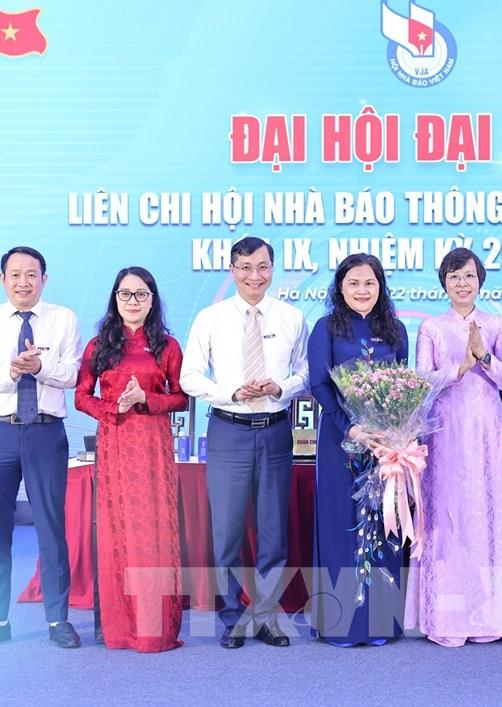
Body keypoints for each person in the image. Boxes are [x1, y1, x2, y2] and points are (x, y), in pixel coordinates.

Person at [180, 237, 309, 649]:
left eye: (263, 266)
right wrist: (231, 392)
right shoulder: (210, 318)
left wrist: (281, 386)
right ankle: (233, 618)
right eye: (246, 267)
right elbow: (189, 376)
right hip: (228, 430)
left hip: (275, 430)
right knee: (228, 533)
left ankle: (267, 616)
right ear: (232, 270)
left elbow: (306, 373)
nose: (255, 275)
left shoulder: (291, 317)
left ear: (273, 269)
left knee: (273, 532)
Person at [0, 246, 82, 649]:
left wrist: (41, 367)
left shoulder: (63, 319)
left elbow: (73, 375)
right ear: (2, 279)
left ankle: (58, 620)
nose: (23, 282)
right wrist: (10, 373)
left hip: (45, 433)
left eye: (31, 274)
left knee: (51, 527)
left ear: (44, 279)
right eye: (15, 275)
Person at [404, 248, 502, 647]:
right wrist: (460, 368)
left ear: (480, 280)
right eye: (454, 277)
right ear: (444, 284)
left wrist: (484, 357)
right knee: (448, 516)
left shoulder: (496, 325)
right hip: (445, 431)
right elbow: (421, 381)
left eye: (469, 275)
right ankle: (446, 616)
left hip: (485, 430)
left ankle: (489, 617)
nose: (462, 283)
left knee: (485, 514)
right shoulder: (432, 328)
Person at [74, 266, 187, 652]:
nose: (133, 301)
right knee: (118, 530)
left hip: (153, 445)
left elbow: (182, 398)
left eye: (141, 294)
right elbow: (81, 396)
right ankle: (122, 628)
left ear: (152, 300)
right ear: (115, 298)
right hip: (116, 442)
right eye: (125, 294)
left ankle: (155, 627)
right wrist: (113, 408)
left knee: (153, 532)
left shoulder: (167, 346)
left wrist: (146, 399)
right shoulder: (99, 346)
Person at [307, 253, 408, 647]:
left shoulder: (395, 329)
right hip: (340, 441)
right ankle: (341, 623)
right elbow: (319, 384)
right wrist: (349, 426)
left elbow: (403, 385)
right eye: (354, 283)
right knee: (340, 524)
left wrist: (394, 428)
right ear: (340, 287)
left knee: (383, 525)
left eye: (370, 283)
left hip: (384, 445)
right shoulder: (325, 328)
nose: (362, 290)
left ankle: (381, 622)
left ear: (380, 287)